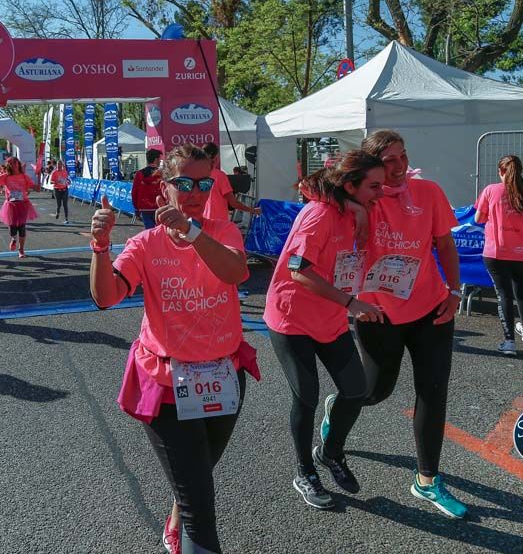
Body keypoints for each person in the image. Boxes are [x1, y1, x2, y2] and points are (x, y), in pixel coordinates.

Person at [90, 145, 259, 554]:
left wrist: (193, 232)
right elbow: (106, 297)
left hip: (222, 375)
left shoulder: (223, 231)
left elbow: (235, 272)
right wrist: (99, 246)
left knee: (200, 471)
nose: (195, 191)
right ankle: (187, 525)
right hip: (168, 381)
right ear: (164, 188)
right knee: (200, 506)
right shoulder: (145, 244)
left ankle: (177, 508)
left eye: (204, 183)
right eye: (183, 182)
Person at [324, 129, 468, 519]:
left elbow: (445, 245)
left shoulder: (428, 192)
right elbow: (322, 199)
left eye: (403, 156)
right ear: (372, 166)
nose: (400, 166)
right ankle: (337, 405)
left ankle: (427, 480)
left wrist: (454, 292)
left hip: (431, 307)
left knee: (433, 392)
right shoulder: (361, 198)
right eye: (389, 160)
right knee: (374, 392)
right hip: (378, 313)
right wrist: (353, 209)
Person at [264, 152, 385, 510]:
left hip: (329, 318)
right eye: (373, 186)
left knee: (356, 389)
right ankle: (305, 471)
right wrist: (352, 304)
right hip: (292, 319)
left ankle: (329, 453)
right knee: (307, 396)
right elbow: (298, 271)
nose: (380, 193)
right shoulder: (318, 215)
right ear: (350, 186)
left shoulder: (356, 209)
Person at [474, 155, 523, 353]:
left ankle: (509, 342)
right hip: (522, 252)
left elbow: (478, 219)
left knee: (503, 295)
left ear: (501, 171)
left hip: (496, 251)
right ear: (520, 171)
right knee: (522, 293)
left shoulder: (490, 190)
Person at [0, 157, 39, 258]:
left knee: (22, 227)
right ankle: (13, 238)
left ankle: (21, 249)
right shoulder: (6, 176)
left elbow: (36, 188)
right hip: (11, 205)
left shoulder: (24, 176)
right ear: (8, 165)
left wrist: (38, 179)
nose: (13, 164)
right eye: (10, 163)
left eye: (14, 162)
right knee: (12, 227)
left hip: (23, 204)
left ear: (18, 163)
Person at [200, 143, 260, 221]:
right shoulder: (220, 176)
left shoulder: (199, 174)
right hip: (219, 223)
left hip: (204, 221)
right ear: (215, 157)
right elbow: (233, 202)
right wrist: (252, 210)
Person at [131, 149, 163, 229]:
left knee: (149, 232)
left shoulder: (139, 174)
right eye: (159, 159)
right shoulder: (162, 174)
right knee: (161, 231)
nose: (160, 161)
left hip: (144, 207)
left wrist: (136, 208)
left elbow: (134, 192)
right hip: (159, 206)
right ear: (156, 159)